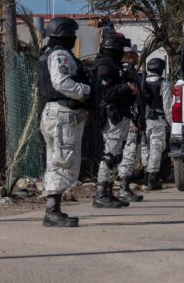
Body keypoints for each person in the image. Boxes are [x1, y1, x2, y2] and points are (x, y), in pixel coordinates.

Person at [37, 17, 90, 228]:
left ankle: (53, 209)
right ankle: (52, 212)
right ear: (65, 34)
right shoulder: (60, 55)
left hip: (56, 115)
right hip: (62, 116)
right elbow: (61, 82)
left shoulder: (49, 53)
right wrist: (86, 92)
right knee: (64, 164)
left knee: (56, 162)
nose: (74, 38)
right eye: (72, 35)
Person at [93, 31, 138, 208]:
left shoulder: (115, 66)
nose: (122, 53)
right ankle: (101, 193)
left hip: (121, 115)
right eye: (120, 49)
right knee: (110, 155)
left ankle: (109, 191)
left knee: (115, 155)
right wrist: (127, 87)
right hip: (112, 116)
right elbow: (107, 93)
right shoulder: (104, 66)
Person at [114, 42, 146, 203]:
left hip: (124, 117)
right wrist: (137, 118)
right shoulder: (128, 71)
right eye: (135, 54)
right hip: (129, 118)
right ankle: (124, 188)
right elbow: (134, 97)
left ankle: (121, 187)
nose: (137, 57)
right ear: (129, 55)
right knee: (129, 152)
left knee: (125, 152)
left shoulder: (121, 70)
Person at [138, 57, 170, 190]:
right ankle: (152, 178)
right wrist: (172, 124)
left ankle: (146, 175)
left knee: (145, 147)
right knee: (157, 147)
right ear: (161, 69)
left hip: (142, 120)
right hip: (157, 120)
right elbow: (167, 106)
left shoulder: (141, 82)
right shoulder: (163, 83)